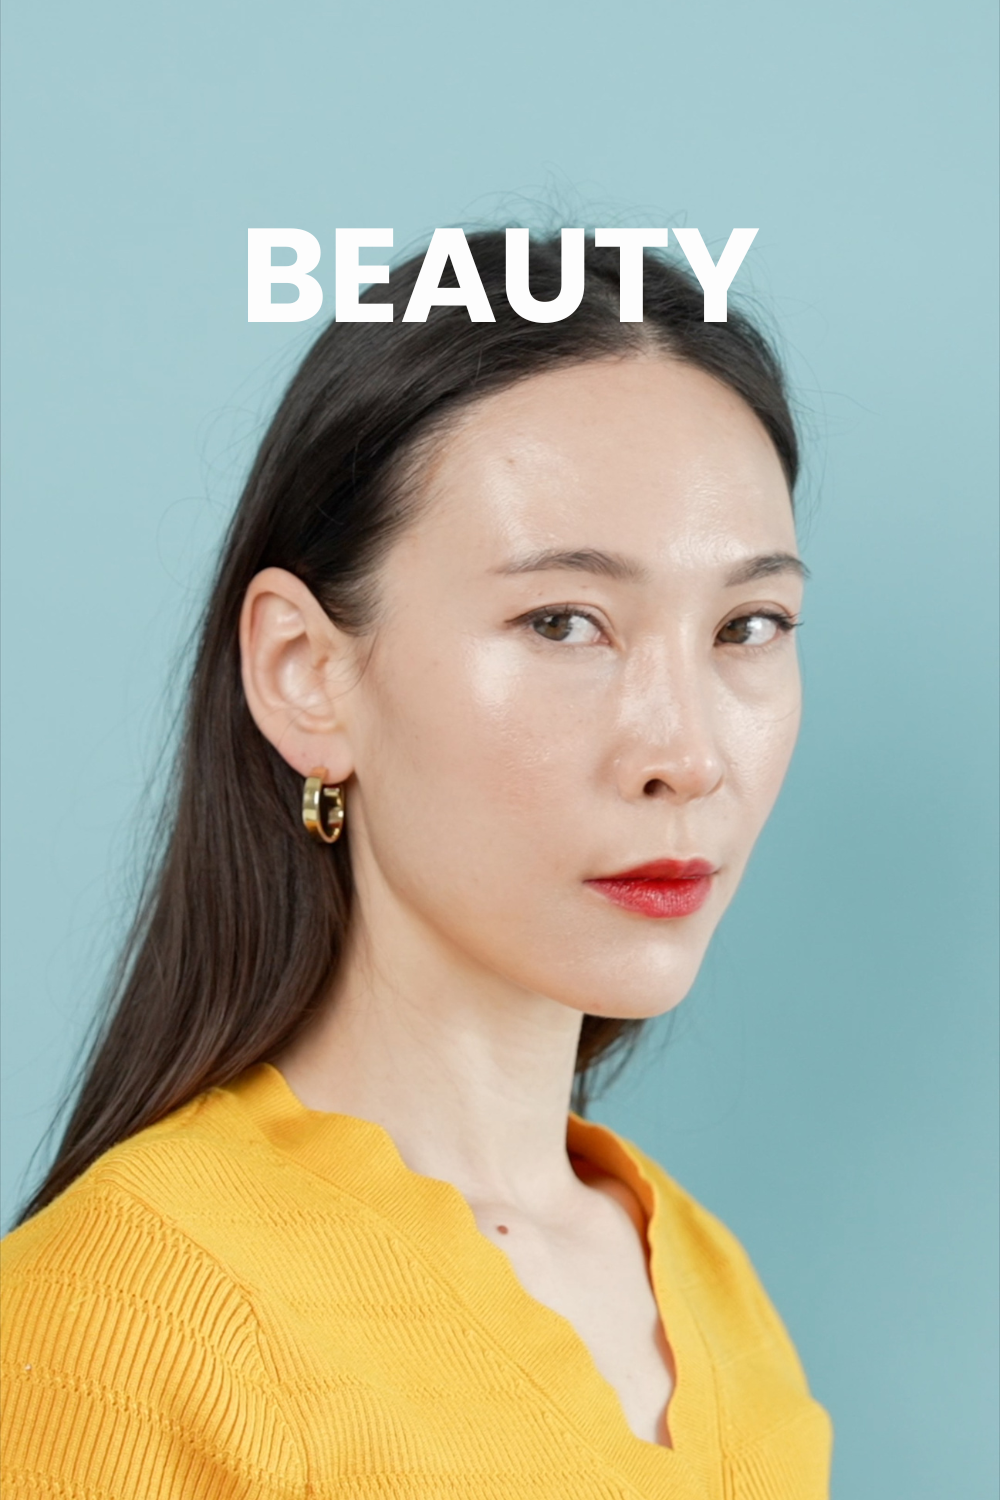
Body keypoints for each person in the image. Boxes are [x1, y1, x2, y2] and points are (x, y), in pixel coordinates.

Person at [1, 232, 833, 1498]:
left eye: (747, 625)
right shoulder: (120, 1321)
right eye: (563, 622)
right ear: (306, 673)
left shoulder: (718, 1298)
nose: (685, 754)